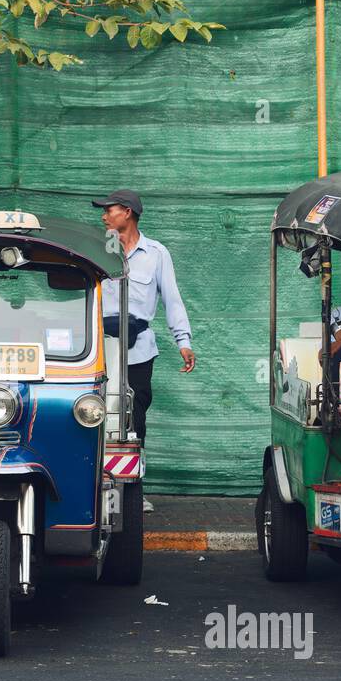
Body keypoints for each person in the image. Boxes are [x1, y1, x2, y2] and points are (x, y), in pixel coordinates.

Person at [94, 189, 194, 513]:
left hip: (138, 349)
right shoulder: (99, 248)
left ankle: (133, 490)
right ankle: (95, 488)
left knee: (134, 418)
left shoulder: (156, 253)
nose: (104, 216)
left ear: (127, 212)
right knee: (96, 415)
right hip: (99, 348)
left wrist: (184, 342)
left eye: (108, 210)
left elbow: (172, 299)